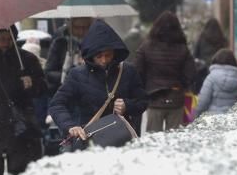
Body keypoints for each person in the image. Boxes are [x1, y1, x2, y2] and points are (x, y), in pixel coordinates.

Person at [48, 19, 147, 148]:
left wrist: (127, 106)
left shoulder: (128, 71)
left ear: (114, 52)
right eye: (99, 56)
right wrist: (70, 126)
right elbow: (57, 104)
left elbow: (143, 101)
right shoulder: (77, 75)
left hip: (124, 140)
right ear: (91, 55)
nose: (104, 60)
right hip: (91, 140)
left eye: (108, 55)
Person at [0, 25, 47, 175]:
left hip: (20, 124)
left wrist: (32, 83)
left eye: (9, 39)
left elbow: (42, 89)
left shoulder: (27, 59)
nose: (6, 43)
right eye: (2, 40)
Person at [133, 11, 196, 133]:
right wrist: (179, 84)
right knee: (174, 139)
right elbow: (191, 74)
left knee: (153, 138)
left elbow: (137, 71)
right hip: (176, 99)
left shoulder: (146, 47)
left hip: (153, 99)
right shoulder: (183, 49)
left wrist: (145, 88)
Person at [193, 48, 237, 118]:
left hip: (213, 118)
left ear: (216, 60)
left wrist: (196, 115)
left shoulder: (211, 77)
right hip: (232, 118)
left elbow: (203, 101)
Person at [44, 16, 92, 96]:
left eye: (85, 28)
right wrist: (66, 75)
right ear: (70, 27)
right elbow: (48, 72)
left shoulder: (94, 44)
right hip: (62, 92)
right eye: (77, 27)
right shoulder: (60, 43)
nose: (81, 32)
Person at [191, 17, 229, 93]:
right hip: (219, 69)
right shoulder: (222, 38)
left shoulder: (202, 37)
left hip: (204, 70)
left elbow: (195, 54)